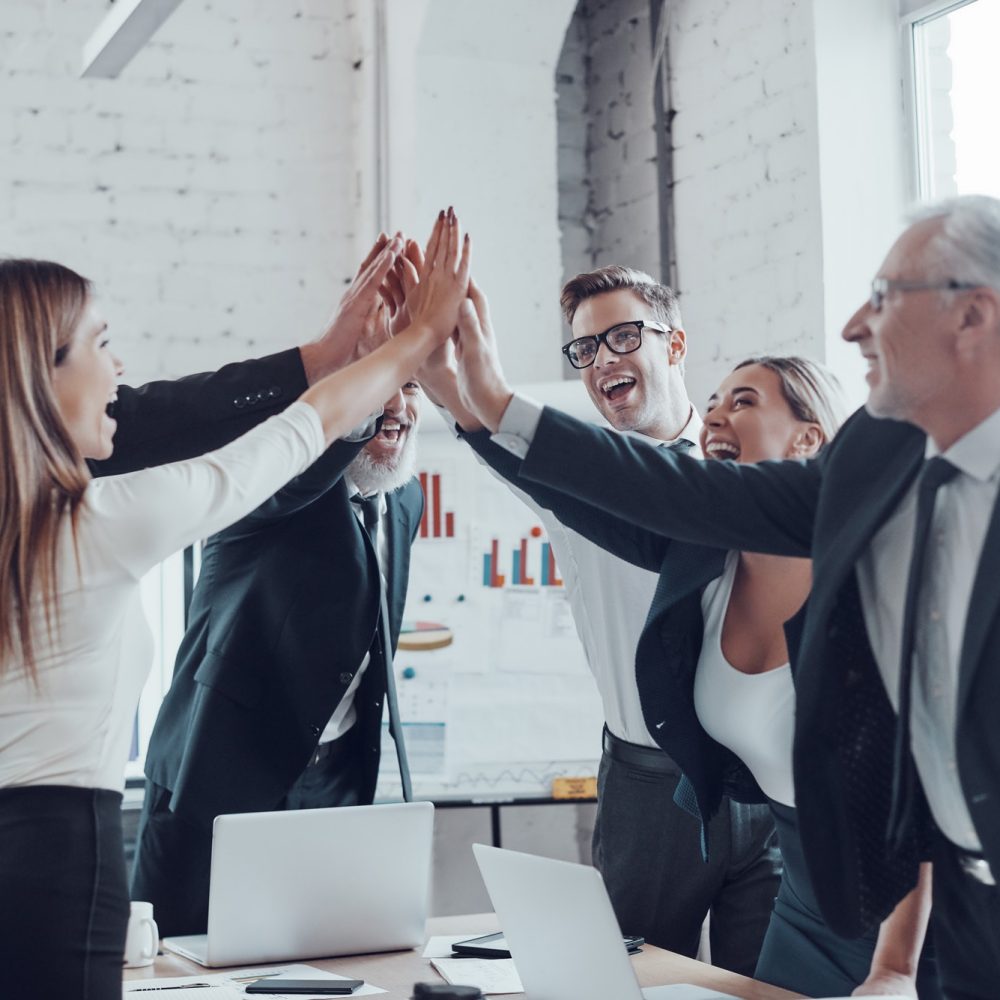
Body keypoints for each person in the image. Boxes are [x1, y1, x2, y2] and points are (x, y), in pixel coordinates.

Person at [450, 194, 1000, 1000]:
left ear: (974, 316)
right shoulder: (878, 460)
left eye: (883, 297)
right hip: (902, 894)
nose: (853, 326)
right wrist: (483, 405)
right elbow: (663, 497)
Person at [0, 208, 470, 999]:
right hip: (57, 857)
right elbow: (293, 435)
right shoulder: (98, 524)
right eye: (101, 343)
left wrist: (334, 355)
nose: (120, 372)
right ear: (41, 375)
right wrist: (412, 342)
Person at [412, 266, 779, 971]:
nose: (602, 358)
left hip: (768, 781)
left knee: (768, 984)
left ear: (674, 347)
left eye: (621, 336)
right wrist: (440, 356)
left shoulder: (744, 461)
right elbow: (481, 424)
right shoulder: (580, 475)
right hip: (653, 787)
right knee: (633, 978)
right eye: (584, 349)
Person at [131, 305, 426, 936]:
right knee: (182, 960)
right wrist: (357, 409)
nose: (397, 405)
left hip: (335, 781)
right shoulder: (269, 481)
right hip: (216, 776)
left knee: (312, 962)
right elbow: (290, 488)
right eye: (377, 385)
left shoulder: (406, 498)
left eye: (409, 385)